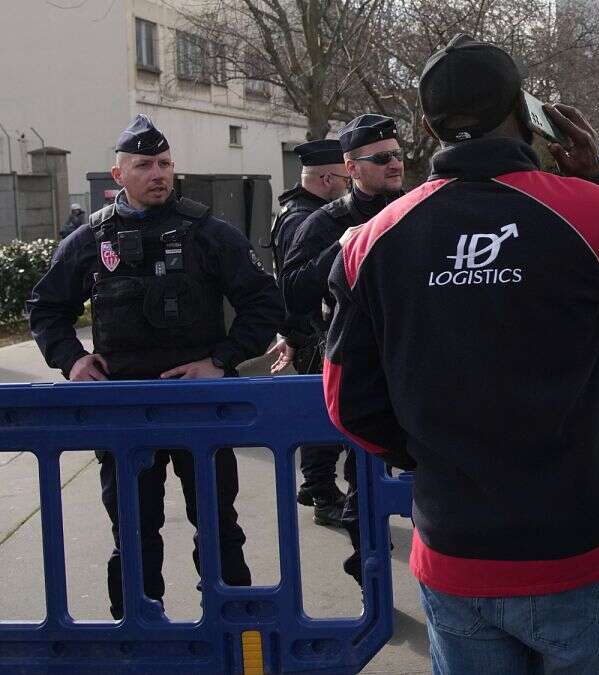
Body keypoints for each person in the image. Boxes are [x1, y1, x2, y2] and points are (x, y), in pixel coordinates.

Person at [323, 34, 599, 674]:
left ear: (428, 124)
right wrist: (594, 175)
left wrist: (429, 455)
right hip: (578, 537)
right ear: (523, 111)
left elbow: (347, 403)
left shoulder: (371, 241)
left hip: (455, 541)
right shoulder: (590, 209)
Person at [26, 114, 284, 620]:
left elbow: (263, 303)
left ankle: (231, 633)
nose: (158, 172)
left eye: (164, 163)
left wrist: (220, 361)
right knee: (133, 532)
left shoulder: (208, 232)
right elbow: (46, 308)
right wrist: (73, 360)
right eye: (144, 164)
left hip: (200, 410)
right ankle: (139, 635)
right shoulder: (90, 240)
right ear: (118, 175)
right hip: (123, 413)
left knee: (218, 528)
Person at [280, 113, 405, 585]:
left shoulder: (418, 207)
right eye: (382, 158)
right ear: (351, 168)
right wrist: (343, 248)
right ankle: (370, 573)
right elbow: (292, 292)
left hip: (415, 365)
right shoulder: (325, 221)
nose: (395, 164)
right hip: (361, 369)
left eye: (397, 154)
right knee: (365, 479)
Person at [265, 138, 352, 527]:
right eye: (347, 179)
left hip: (309, 329)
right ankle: (321, 490)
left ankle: (314, 483)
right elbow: (298, 282)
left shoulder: (298, 210)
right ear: (329, 177)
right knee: (326, 414)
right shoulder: (304, 218)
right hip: (314, 331)